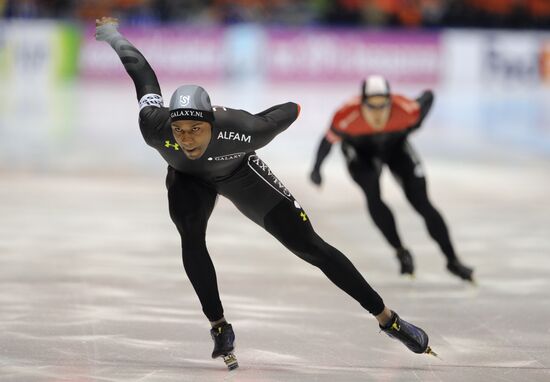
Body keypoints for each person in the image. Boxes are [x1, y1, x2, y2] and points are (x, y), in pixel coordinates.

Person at [95, 17, 436, 369]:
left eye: (196, 129)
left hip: (240, 173)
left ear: (212, 123)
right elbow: (141, 73)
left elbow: (288, 111)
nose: (187, 138)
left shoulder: (244, 131)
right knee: (191, 237)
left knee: (311, 246)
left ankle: (387, 318)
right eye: (180, 130)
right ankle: (219, 327)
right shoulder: (154, 125)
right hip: (188, 179)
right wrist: (115, 36)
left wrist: (288, 113)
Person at [310, 76, 474, 282]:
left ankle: (453, 260)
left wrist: (415, 124)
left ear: (390, 102)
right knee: (372, 194)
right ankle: (400, 251)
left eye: (383, 106)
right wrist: (316, 170)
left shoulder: (405, 109)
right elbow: (326, 142)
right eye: (372, 106)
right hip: (360, 153)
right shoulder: (346, 115)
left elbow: (428, 96)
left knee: (422, 202)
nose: (378, 113)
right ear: (362, 104)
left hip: (395, 148)